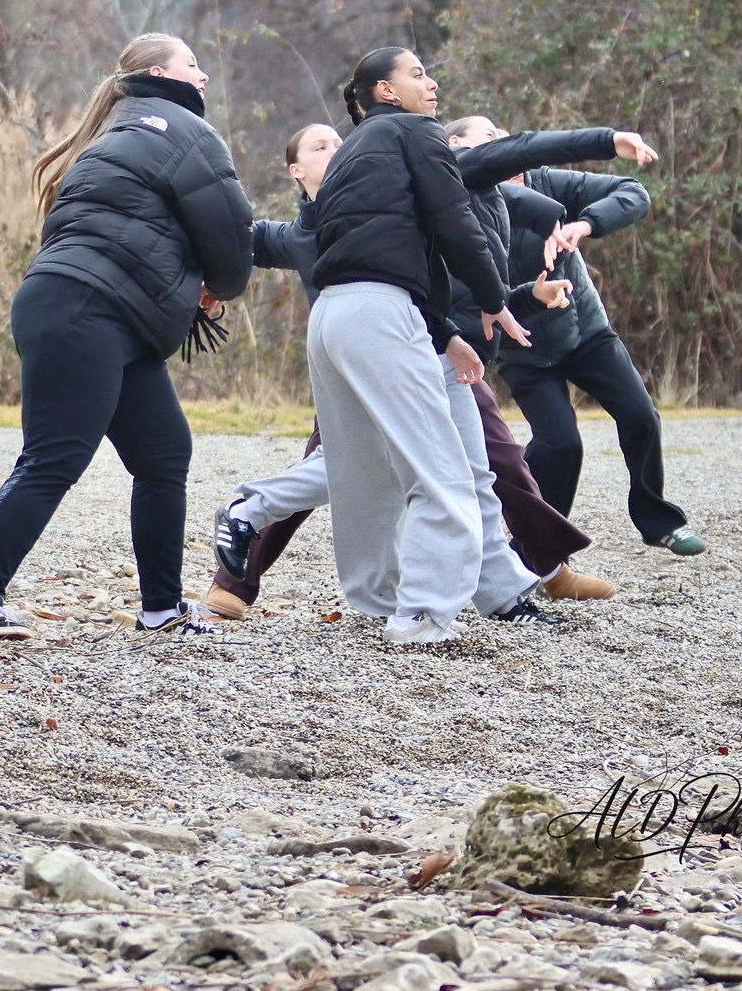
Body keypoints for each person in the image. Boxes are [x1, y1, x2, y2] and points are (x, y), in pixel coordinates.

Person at [201, 124, 613, 618]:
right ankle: (245, 544)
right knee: (371, 467)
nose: (335, 150)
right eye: (319, 146)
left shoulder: (396, 192)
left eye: (339, 143)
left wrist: (549, 216)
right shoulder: (299, 235)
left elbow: (492, 184)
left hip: (440, 349)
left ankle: (511, 586)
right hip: (372, 361)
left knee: (484, 466)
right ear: (295, 170)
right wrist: (210, 285)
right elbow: (233, 241)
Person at [0, 33, 254, 638]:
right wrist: (220, 283)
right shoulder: (186, 131)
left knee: (164, 453)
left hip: (102, 313)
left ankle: (162, 610)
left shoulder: (117, 129)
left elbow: (144, 229)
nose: (203, 76)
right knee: (54, 458)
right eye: (193, 64)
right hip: (86, 309)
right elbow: (229, 228)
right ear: (160, 74)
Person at [304, 47, 549, 645]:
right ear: (386, 92)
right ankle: (420, 614)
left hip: (331, 315)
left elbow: (367, 246)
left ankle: (376, 599)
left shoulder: (348, 153)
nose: (431, 82)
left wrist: (443, 333)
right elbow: (455, 223)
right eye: (417, 74)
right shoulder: (416, 131)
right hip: (383, 314)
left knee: (362, 473)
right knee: (443, 475)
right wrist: (493, 297)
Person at [466, 125, 704, 554]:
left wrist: (586, 224)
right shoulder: (463, 204)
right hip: (525, 350)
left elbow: (633, 193)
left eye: (502, 132)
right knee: (560, 445)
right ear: (460, 148)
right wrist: (532, 296)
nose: (501, 139)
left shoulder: (546, 181)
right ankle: (537, 549)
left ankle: (658, 522)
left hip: (587, 333)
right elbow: (475, 291)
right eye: (488, 135)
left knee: (641, 416)